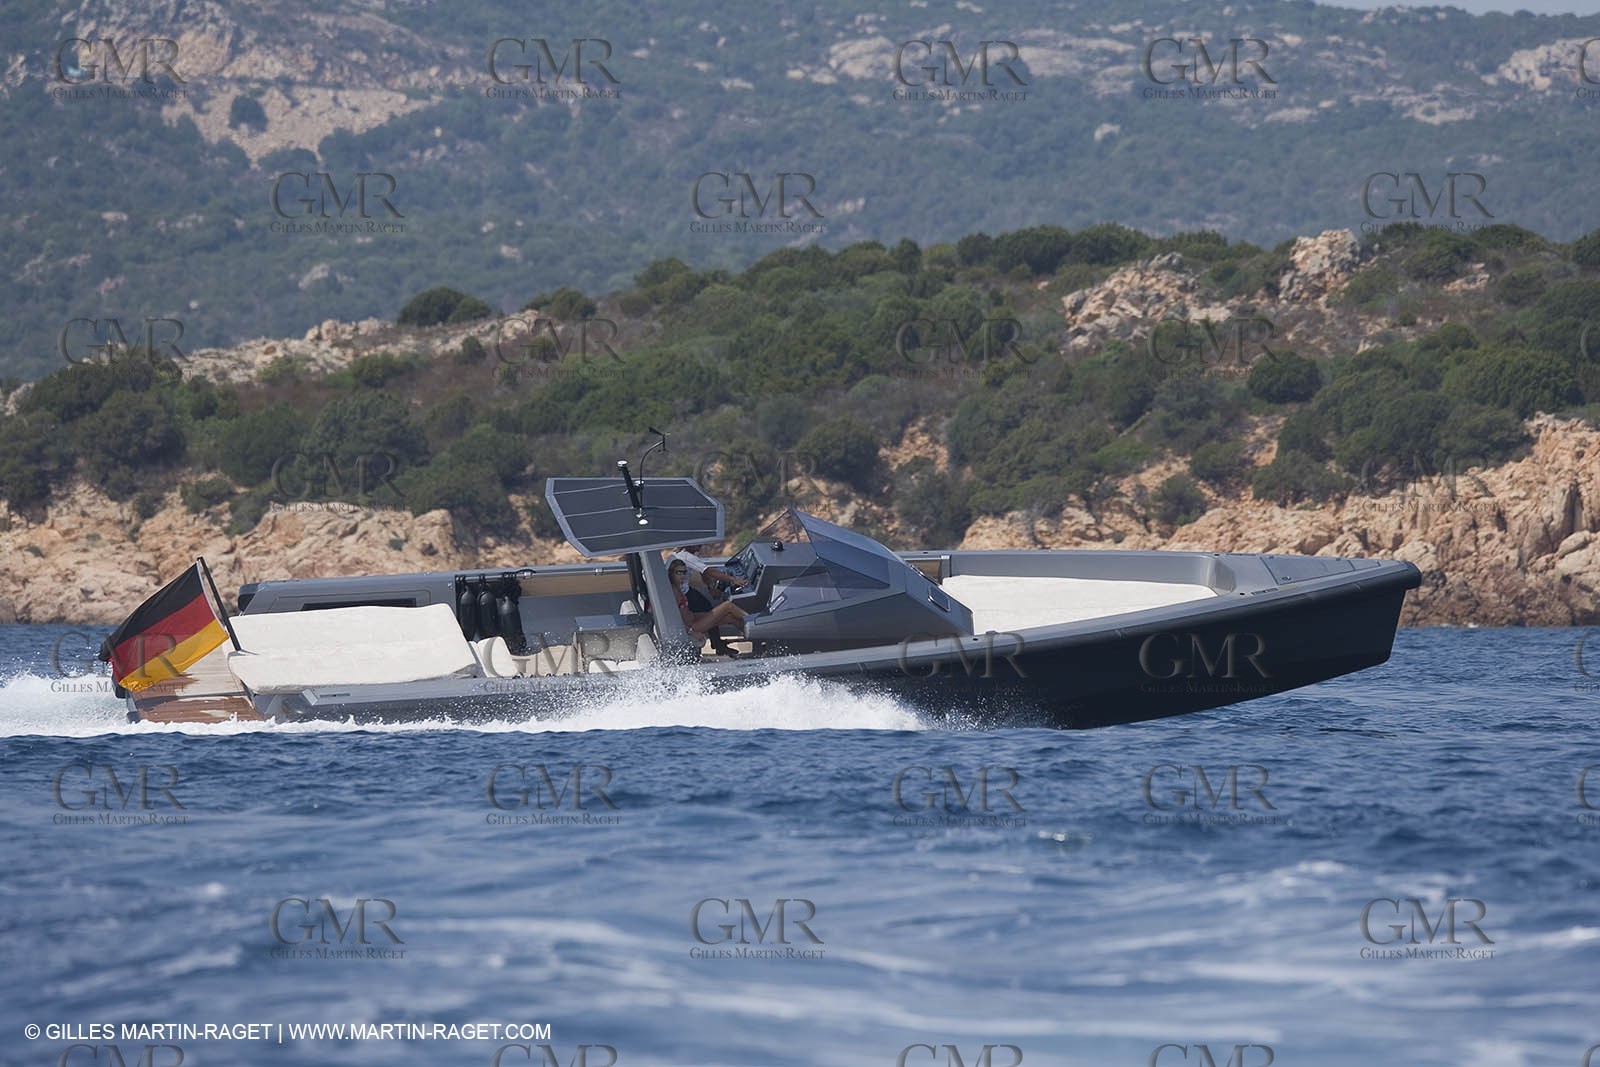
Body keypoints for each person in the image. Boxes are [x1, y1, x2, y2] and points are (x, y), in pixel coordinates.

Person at [667, 557, 748, 658]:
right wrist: (690, 631)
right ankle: (753, 622)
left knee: (730, 618)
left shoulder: (679, 587)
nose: (682, 575)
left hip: (694, 618)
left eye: (684, 572)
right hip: (693, 627)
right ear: (671, 573)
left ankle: (755, 636)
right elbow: (673, 618)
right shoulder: (673, 592)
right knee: (728, 606)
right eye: (679, 572)